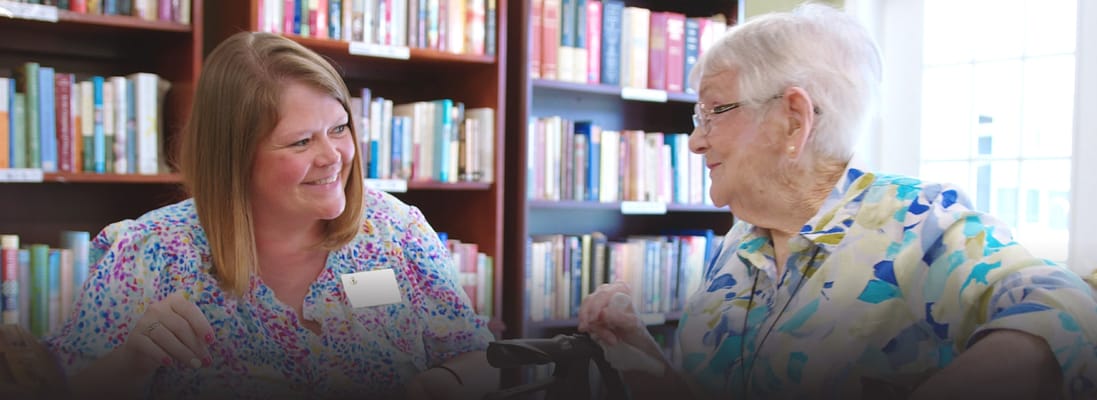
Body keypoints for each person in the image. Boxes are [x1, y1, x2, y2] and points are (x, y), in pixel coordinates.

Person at [579, 4, 1097, 400]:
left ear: (793, 120)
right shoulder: (741, 245)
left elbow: (1068, 313)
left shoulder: (920, 222)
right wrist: (645, 359)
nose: (695, 141)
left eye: (714, 111)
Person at [44, 31, 497, 400]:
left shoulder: (396, 231)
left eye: (339, 129)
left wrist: (439, 385)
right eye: (301, 142)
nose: (334, 157)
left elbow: (482, 360)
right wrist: (131, 363)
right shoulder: (150, 253)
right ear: (236, 159)